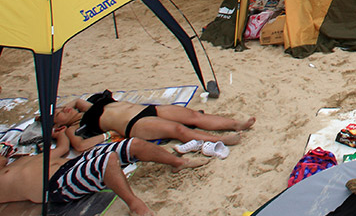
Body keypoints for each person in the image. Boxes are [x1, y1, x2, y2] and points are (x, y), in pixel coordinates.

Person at [0, 126, 209, 216]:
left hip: (72, 164)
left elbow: (62, 148)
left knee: (132, 144)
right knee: (107, 161)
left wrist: (60, 134)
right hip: (57, 185)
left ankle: (178, 162)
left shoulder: (21, 159)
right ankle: (134, 205)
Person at [53, 91, 254, 148]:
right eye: (60, 113)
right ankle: (219, 141)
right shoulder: (78, 126)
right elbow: (79, 146)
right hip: (134, 125)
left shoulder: (86, 107)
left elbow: (77, 101)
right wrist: (107, 135)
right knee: (178, 130)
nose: (65, 109)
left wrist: (59, 110)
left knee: (193, 116)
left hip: (147, 110)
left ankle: (236, 124)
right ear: (60, 124)